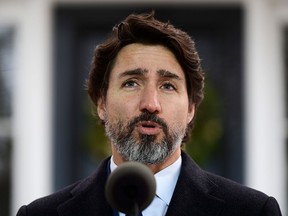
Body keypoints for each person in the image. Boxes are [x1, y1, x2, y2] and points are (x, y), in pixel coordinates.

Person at [17, 11, 282, 216]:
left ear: (191, 108)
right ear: (101, 103)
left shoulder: (252, 211)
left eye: (168, 85)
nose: (150, 103)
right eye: (131, 83)